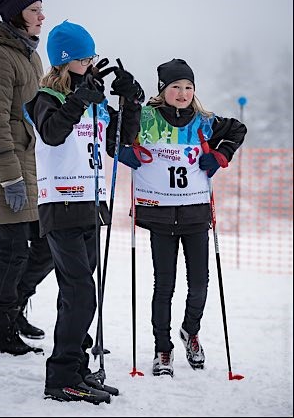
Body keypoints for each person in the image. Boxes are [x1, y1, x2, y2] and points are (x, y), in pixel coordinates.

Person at [25, 20, 144, 404]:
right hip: (60, 205)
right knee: (81, 293)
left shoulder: (93, 100)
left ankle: (75, 369)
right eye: (83, 58)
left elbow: (119, 142)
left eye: (92, 56)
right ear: (65, 61)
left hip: (91, 206)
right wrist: (81, 100)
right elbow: (53, 132)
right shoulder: (45, 98)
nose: (91, 63)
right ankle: (60, 377)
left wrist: (131, 101)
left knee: (76, 293)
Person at [133, 58, 247, 377]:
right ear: (162, 90)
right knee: (164, 286)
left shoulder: (204, 121)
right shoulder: (146, 117)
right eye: (175, 87)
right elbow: (120, 130)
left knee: (199, 284)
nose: (183, 93)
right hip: (160, 214)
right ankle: (162, 348)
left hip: (196, 215)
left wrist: (220, 155)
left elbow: (237, 129)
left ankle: (190, 331)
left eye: (188, 87)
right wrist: (127, 147)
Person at [0, 0, 54, 357]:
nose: (41, 16)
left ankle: (15, 308)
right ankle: (0, 333)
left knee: (48, 246)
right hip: (7, 167)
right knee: (12, 251)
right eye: (35, 9)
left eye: (41, 9)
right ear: (17, 14)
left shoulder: (30, 57)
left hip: (34, 166)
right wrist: (9, 175)